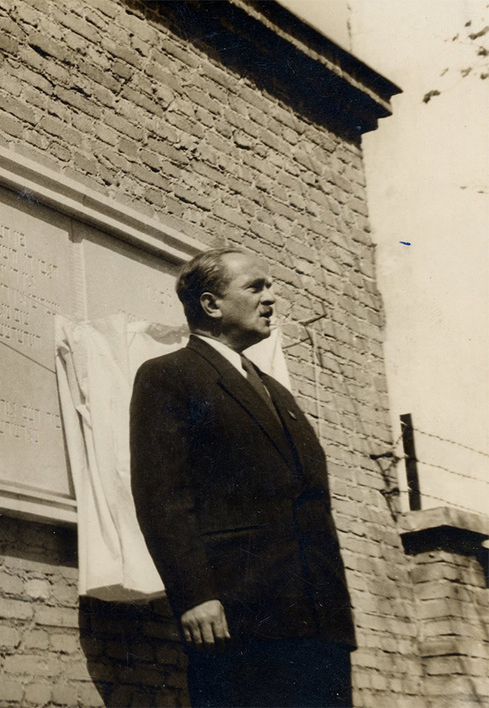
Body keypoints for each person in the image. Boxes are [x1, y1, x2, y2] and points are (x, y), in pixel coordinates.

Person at [129, 248, 356, 707]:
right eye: (256, 287)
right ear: (211, 304)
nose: (272, 298)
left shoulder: (276, 392)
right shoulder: (169, 375)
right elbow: (162, 496)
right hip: (239, 617)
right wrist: (194, 596)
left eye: (271, 286)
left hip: (318, 621)